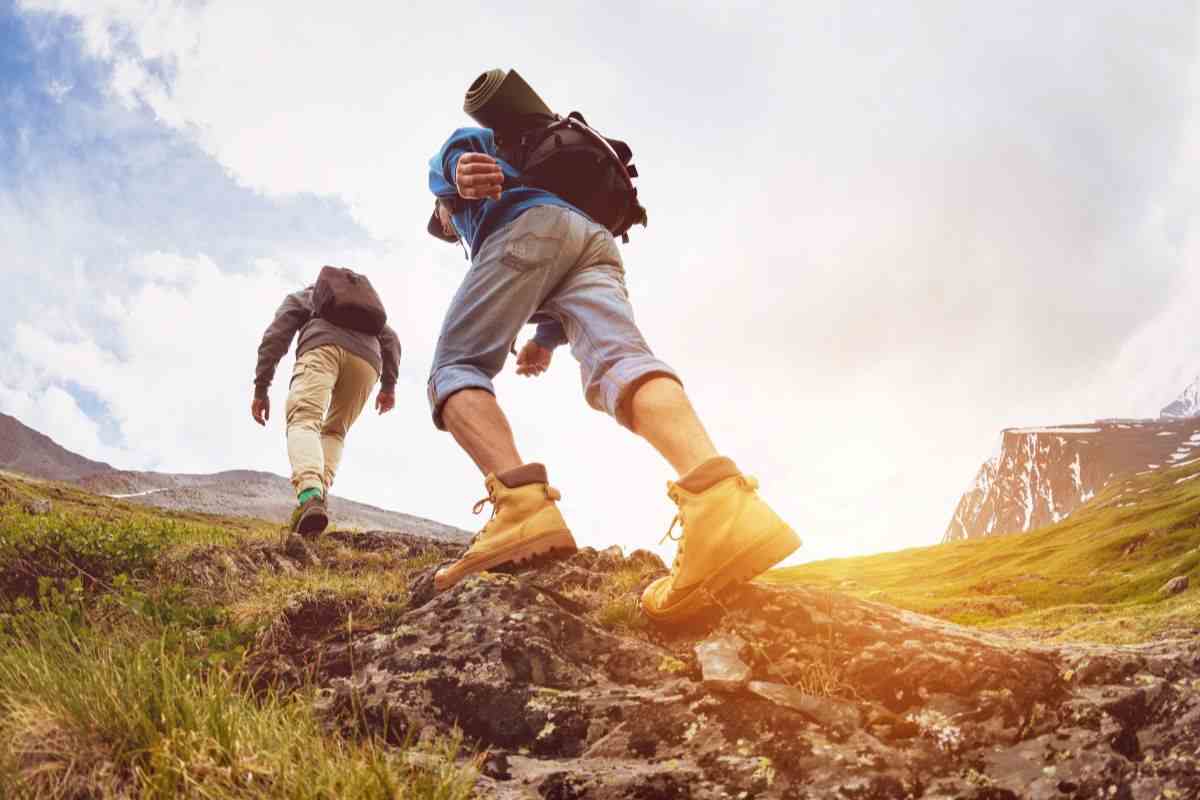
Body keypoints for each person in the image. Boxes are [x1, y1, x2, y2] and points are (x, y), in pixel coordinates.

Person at [426, 123, 801, 624]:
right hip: (594, 241)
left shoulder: (466, 199)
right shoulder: (556, 197)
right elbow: (554, 274)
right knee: (622, 361)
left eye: (441, 221)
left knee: (457, 365)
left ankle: (522, 510)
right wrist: (544, 342)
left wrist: (456, 171)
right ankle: (719, 501)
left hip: (528, 226)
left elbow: (455, 147)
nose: (446, 227)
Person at [252, 280, 400, 535]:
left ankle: (311, 496)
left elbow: (276, 335)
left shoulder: (306, 297)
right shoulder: (366, 312)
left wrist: (261, 388)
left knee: (304, 420)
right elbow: (392, 340)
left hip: (323, 349)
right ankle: (318, 498)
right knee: (334, 432)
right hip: (367, 362)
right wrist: (388, 386)